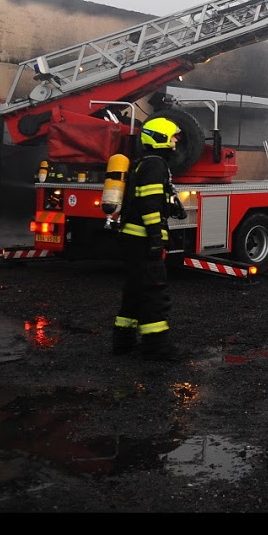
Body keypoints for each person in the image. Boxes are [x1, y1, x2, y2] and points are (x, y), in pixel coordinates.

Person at [114, 115, 187, 362]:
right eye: (173, 137)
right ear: (160, 138)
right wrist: (157, 239)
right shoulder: (155, 165)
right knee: (154, 292)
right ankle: (156, 346)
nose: (176, 141)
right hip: (143, 240)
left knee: (134, 290)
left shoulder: (144, 163)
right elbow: (150, 205)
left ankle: (123, 341)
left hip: (132, 238)